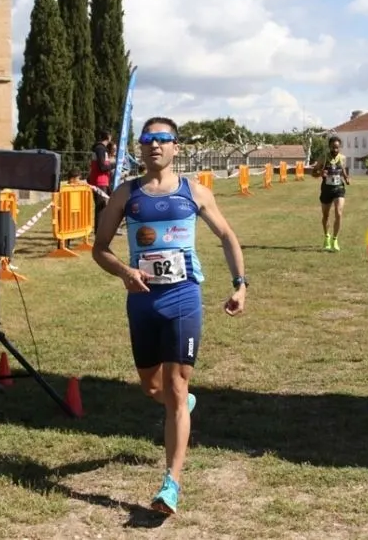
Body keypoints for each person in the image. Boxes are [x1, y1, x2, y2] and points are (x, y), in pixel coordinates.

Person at [91, 116, 247, 515]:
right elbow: (100, 247)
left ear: (176, 146)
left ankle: (171, 483)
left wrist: (240, 283)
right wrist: (125, 272)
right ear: (140, 147)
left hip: (183, 297)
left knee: (176, 387)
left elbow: (227, 236)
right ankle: (181, 403)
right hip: (142, 301)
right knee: (151, 388)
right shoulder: (126, 194)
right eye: (147, 139)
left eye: (162, 139)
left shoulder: (194, 192)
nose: (154, 145)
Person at [311, 136, 350, 251]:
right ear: (329, 147)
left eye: (337, 147)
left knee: (339, 213)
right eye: (333, 147)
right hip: (326, 189)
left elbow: (343, 169)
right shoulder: (323, 158)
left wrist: (346, 178)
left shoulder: (342, 158)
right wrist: (320, 173)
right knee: (326, 216)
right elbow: (313, 173)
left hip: (339, 188)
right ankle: (327, 237)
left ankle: (335, 239)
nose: (335, 149)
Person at [88, 130, 116, 233]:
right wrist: (115, 164)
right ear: (108, 137)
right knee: (101, 207)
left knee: (106, 205)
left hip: (103, 181)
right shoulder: (100, 149)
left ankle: (104, 228)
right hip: (99, 182)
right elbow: (102, 167)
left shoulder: (101, 149)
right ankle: (99, 231)